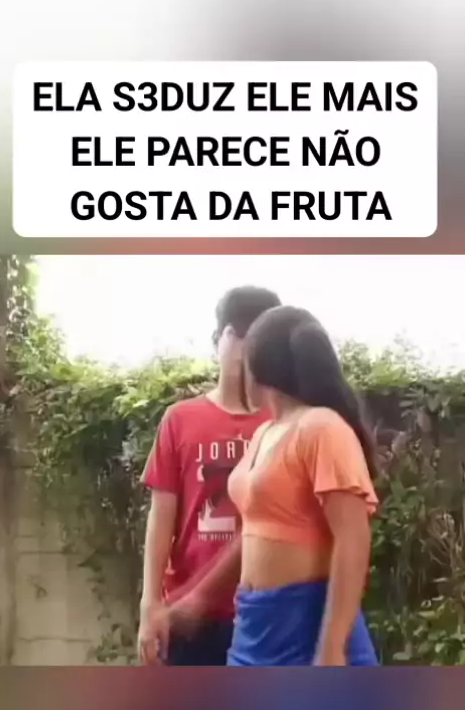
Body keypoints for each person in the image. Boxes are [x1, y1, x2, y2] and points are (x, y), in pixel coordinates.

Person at [225, 305, 379, 666]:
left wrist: (332, 647)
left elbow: (353, 538)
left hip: (307, 626)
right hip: (255, 625)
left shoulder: (321, 427)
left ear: (259, 363)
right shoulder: (265, 432)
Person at [137, 285, 281, 666]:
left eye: (257, 337)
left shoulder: (284, 423)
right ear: (217, 340)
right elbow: (161, 517)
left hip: (261, 612)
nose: (244, 348)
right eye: (236, 333)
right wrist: (150, 603)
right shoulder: (180, 419)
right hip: (187, 613)